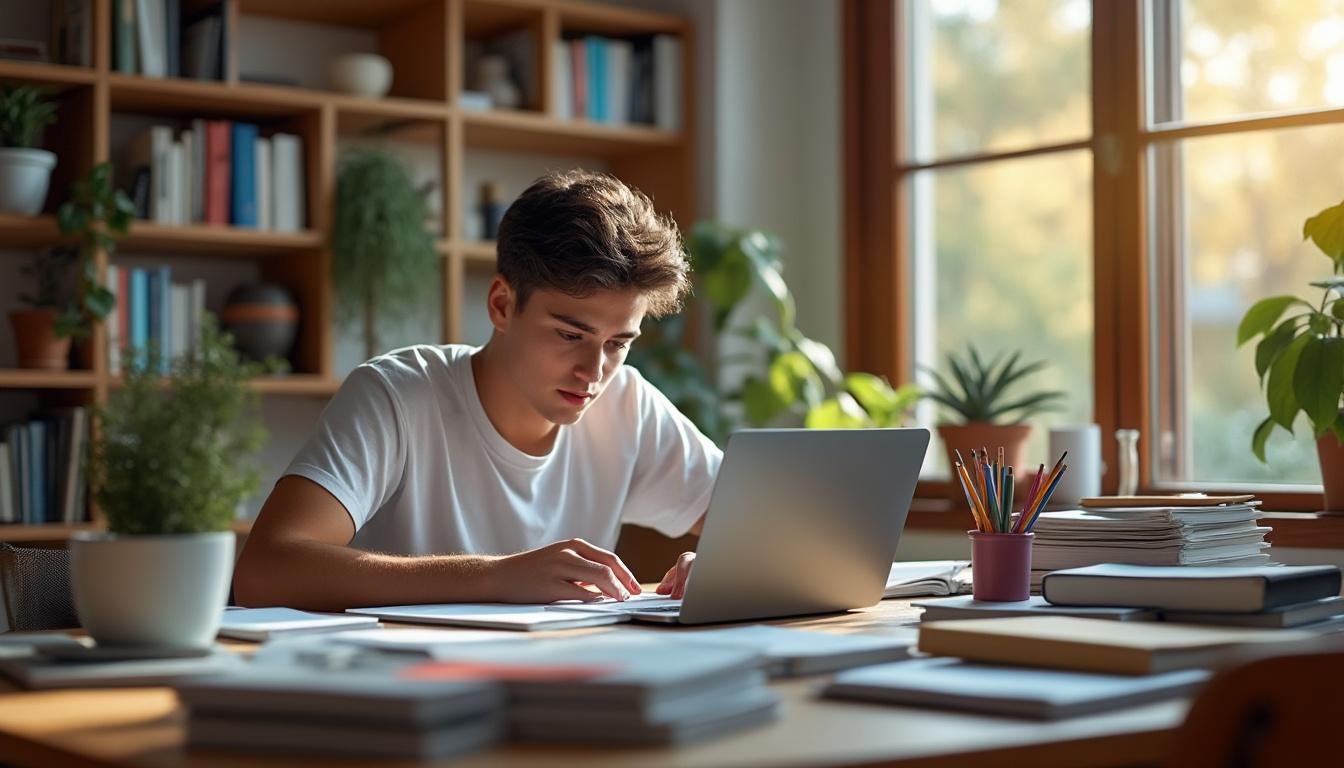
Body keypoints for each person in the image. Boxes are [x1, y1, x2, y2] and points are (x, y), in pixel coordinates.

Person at [232, 170, 718, 611]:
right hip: (408, 688)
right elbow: (266, 570)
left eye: (618, 343)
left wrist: (723, 562)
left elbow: (775, 529)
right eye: (571, 335)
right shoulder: (398, 395)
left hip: (564, 685)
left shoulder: (627, 404)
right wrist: (495, 575)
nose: (594, 371)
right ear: (502, 305)